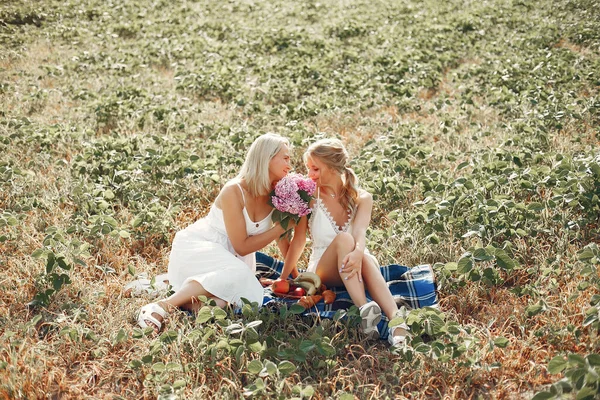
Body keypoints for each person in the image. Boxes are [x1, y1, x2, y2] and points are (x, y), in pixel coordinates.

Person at [138, 133, 293, 332]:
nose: (290, 165)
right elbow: (242, 246)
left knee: (250, 302)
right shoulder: (234, 191)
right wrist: (281, 227)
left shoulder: (278, 193)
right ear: (267, 158)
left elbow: (282, 240)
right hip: (202, 248)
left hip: (234, 261)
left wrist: (293, 278)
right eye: (286, 158)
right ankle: (161, 305)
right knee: (240, 277)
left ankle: (183, 296)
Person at [279, 138, 409, 347]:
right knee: (344, 239)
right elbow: (299, 240)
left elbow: (360, 232)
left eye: (315, 169)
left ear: (332, 168)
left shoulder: (361, 197)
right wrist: (284, 277)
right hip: (324, 268)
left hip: (357, 262)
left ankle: (397, 322)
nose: (309, 175)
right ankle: (364, 307)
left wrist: (358, 253)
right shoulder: (309, 196)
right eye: (308, 169)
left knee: (363, 257)